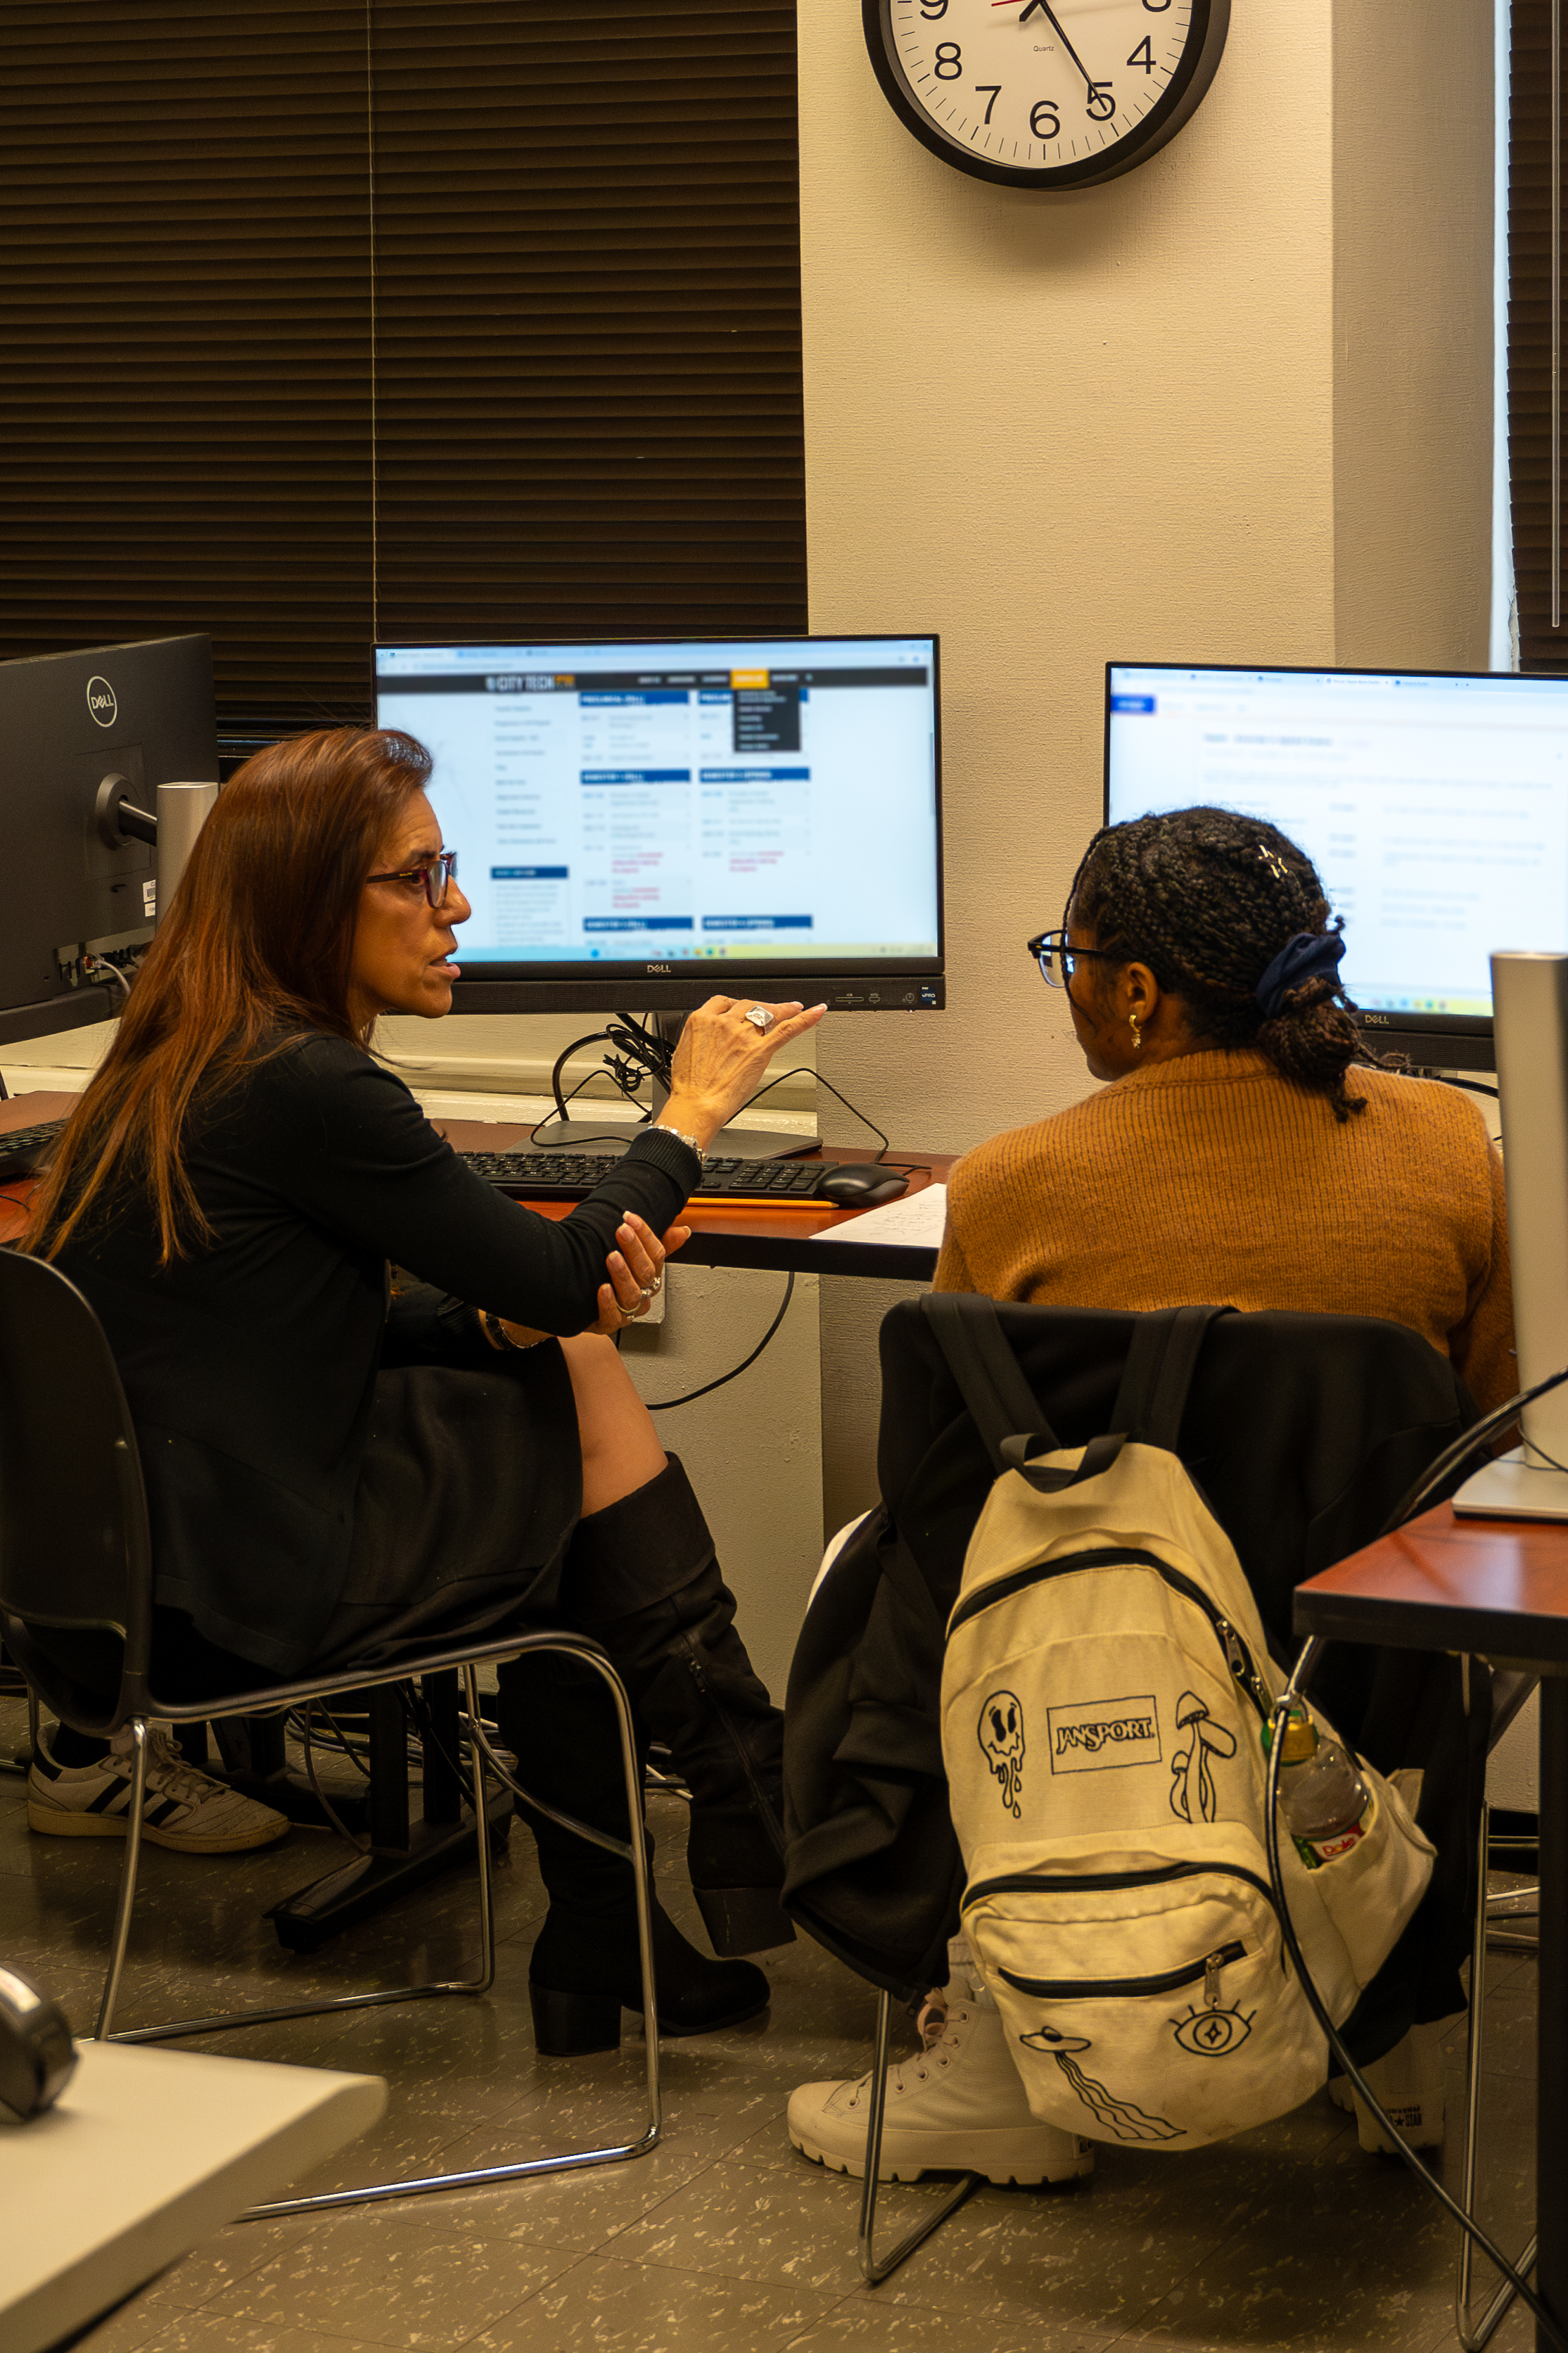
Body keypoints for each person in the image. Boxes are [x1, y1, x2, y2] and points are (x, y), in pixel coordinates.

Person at [23, 724, 824, 2052]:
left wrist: (497, 1322)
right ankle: (745, 1810)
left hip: (132, 1587)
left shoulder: (179, 1057)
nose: (456, 907)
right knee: (578, 1388)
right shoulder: (310, 1082)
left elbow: (265, 1340)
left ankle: (640, 1906)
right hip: (240, 1599)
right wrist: (688, 1114)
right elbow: (573, 1277)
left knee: (559, 1379)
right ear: (308, 901)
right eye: (418, 876)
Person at [787, 804, 1515, 2183]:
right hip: (1349, 1673)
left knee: (879, 1562)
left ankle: (999, 2047)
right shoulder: (1445, 1151)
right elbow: (1495, 1433)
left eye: (1069, 956)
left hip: (1098, 1700)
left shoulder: (1010, 1181)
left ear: (1133, 990)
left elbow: (946, 1487)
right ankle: (1396, 2046)